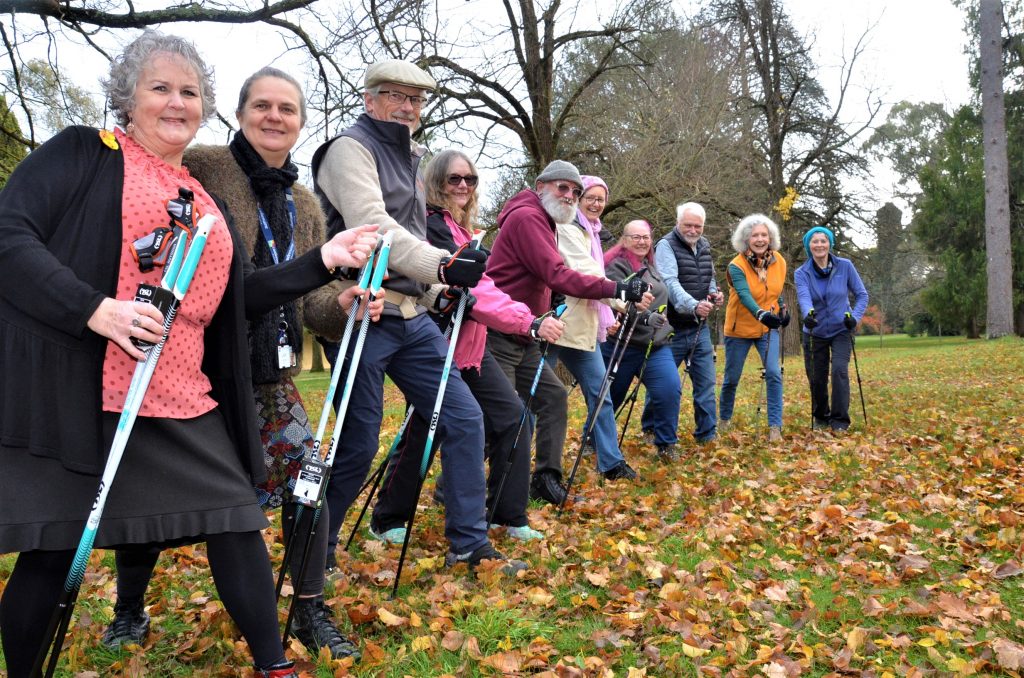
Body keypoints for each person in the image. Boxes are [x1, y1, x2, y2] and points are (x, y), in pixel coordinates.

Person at [0, 32, 376, 678]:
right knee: (53, 546)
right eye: (160, 88)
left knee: (233, 517)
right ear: (127, 97)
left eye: (190, 91)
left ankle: (272, 664)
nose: (177, 102)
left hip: (180, 395)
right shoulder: (83, 154)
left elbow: (241, 298)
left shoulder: (203, 200)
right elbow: (9, 235)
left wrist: (324, 263)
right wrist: (96, 309)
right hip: (87, 388)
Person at [103, 67, 380, 661]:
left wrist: (344, 304)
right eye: (262, 105)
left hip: (270, 377)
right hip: (192, 370)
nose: (274, 117)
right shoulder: (203, 167)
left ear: (302, 122)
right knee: (154, 493)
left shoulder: (304, 204)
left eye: (288, 109)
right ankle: (128, 610)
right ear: (240, 111)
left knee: (309, 484)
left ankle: (308, 609)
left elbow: (308, 298)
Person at [310, 60, 519, 575]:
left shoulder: (411, 158)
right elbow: (374, 226)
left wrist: (433, 292)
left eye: (416, 100)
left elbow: (413, 233)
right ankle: (316, 551)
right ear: (369, 99)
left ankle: (470, 546)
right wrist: (442, 265)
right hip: (361, 310)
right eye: (395, 96)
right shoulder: (347, 150)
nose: (407, 107)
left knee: (465, 418)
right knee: (358, 442)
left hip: (409, 315)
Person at [368, 149, 565, 543]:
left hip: (472, 348)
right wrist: (528, 322)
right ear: (436, 183)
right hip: (437, 345)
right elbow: (475, 291)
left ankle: (505, 514)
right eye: (453, 179)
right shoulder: (433, 226)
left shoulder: (464, 229)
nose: (462, 186)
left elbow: (487, 288)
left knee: (514, 417)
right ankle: (388, 519)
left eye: (470, 180)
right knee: (425, 429)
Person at [487, 160, 650, 503]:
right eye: (564, 188)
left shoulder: (549, 220)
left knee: (553, 398)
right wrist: (618, 291)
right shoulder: (528, 218)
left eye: (575, 191)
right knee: (503, 415)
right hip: (500, 329)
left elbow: (556, 276)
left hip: (530, 330)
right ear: (541, 185)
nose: (571, 196)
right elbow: (558, 273)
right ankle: (458, 489)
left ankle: (546, 478)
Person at [549, 175, 651, 481]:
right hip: (553, 323)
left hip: (582, 327)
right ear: (578, 200)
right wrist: (623, 295)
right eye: (590, 197)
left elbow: (594, 275)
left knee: (601, 393)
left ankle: (610, 462)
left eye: (600, 199)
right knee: (531, 399)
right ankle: (503, 462)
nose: (596, 204)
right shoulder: (566, 228)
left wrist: (622, 300)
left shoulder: (593, 232)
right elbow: (585, 272)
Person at [602, 220, 679, 461]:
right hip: (621, 345)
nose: (641, 241)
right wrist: (646, 317)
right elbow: (615, 300)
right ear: (624, 239)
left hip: (655, 346)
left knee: (669, 389)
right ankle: (595, 440)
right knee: (611, 397)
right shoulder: (615, 266)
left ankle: (666, 444)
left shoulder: (651, 266)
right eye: (635, 237)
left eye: (645, 237)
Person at [649, 201, 724, 444]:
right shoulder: (665, 246)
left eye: (698, 226)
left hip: (698, 328)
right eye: (688, 225)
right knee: (664, 385)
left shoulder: (704, 245)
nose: (693, 230)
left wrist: (714, 294)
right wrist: (693, 304)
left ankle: (707, 434)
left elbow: (709, 277)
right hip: (670, 328)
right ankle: (651, 429)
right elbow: (669, 282)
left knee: (706, 384)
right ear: (678, 223)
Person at [718, 214, 790, 442]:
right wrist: (761, 314)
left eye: (763, 234)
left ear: (770, 237)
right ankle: (724, 420)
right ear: (746, 239)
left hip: (767, 330)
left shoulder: (779, 261)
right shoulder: (736, 266)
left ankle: (775, 427)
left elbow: (774, 292)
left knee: (773, 373)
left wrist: (782, 309)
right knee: (732, 378)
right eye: (754, 235)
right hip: (739, 330)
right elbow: (745, 295)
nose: (760, 239)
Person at [794, 226, 869, 432]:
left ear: (830, 244)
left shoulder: (845, 266)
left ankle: (840, 421)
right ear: (809, 246)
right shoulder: (802, 273)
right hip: (814, 330)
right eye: (815, 241)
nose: (819, 245)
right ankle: (821, 417)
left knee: (839, 371)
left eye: (823, 240)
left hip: (841, 330)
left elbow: (862, 295)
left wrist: (854, 318)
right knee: (817, 377)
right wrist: (808, 313)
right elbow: (803, 296)